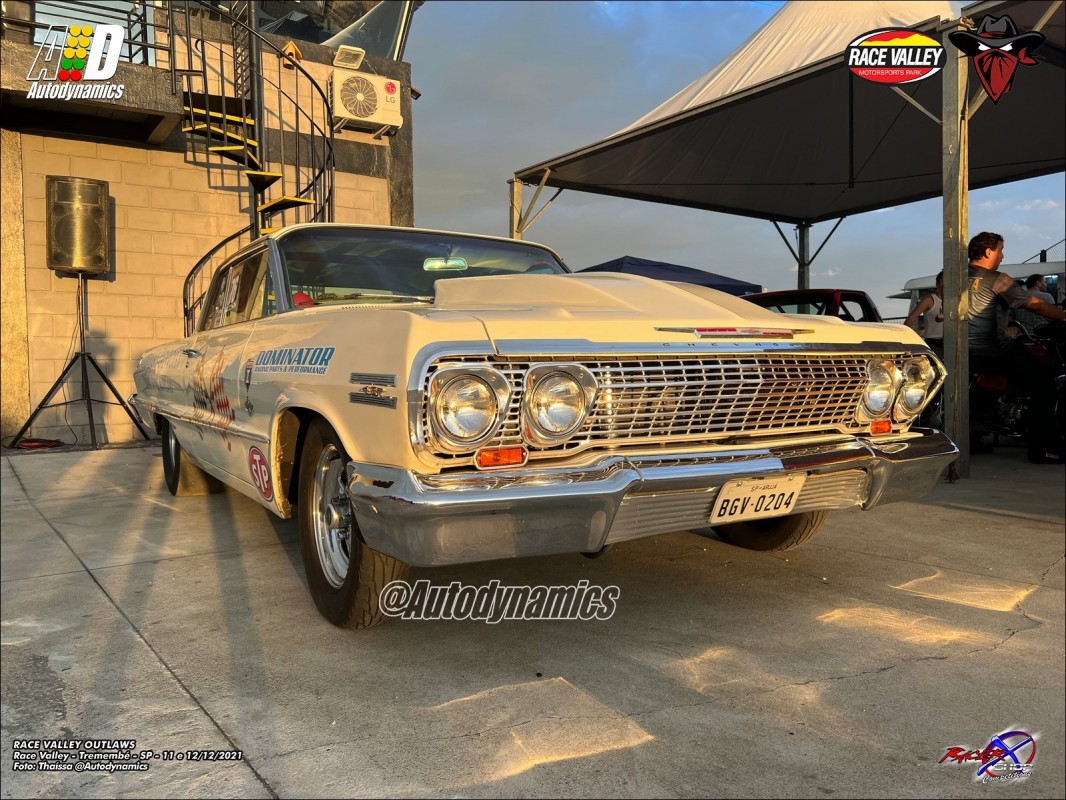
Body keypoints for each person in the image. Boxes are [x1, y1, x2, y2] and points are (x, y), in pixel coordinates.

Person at [966, 232, 1066, 462]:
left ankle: (971, 437)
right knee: (1044, 385)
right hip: (994, 349)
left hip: (963, 351)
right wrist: (1063, 316)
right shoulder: (997, 279)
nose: (1002, 255)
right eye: (1000, 250)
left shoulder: (955, 278)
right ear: (988, 252)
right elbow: (1035, 305)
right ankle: (1043, 448)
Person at [904, 270, 944, 359]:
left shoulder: (954, 301)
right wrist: (905, 337)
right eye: (943, 281)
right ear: (937, 284)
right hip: (934, 342)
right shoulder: (929, 300)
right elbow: (911, 318)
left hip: (951, 342)